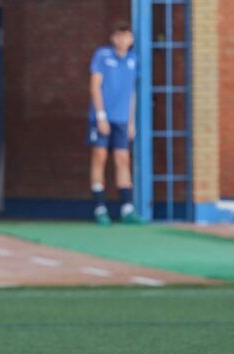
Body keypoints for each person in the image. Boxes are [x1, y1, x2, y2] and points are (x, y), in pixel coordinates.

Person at [88, 21, 141, 225]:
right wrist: (100, 115)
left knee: (122, 159)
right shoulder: (102, 56)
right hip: (101, 118)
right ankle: (99, 208)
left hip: (121, 118)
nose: (122, 40)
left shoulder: (133, 60)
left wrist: (131, 121)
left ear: (131, 39)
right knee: (99, 157)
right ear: (113, 38)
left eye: (126, 36)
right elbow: (95, 86)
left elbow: (132, 94)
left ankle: (127, 208)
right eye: (119, 36)